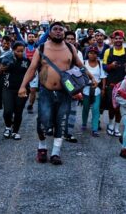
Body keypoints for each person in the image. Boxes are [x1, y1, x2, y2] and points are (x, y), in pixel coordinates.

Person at [18, 22, 96, 165]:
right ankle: (42, 148)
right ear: (49, 32)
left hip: (64, 92)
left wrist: (91, 77)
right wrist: (23, 86)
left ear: (65, 33)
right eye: (55, 29)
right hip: (46, 91)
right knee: (43, 120)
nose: (59, 32)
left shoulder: (70, 47)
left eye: (61, 29)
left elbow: (80, 65)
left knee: (60, 121)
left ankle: (55, 152)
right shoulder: (41, 48)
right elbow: (32, 68)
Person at [103, 30, 126, 137]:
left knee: (121, 107)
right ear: (113, 39)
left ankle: (117, 126)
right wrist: (110, 66)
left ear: (123, 39)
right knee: (112, 106)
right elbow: (103, 67)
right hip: (112, 83)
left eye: (120, 38)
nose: (118, 40)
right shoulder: (108, 52)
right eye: (116, 38)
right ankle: (110, 124)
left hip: (124, 84)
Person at [0, 41, 31, 140]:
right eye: (18, 51)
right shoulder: (6, 59)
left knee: (18, 111)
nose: (20, 53)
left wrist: (27, 86)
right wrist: (1, 69)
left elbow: (31, 74)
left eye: (22, 51)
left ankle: (15, 131)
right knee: (7, 110)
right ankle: (8, 127)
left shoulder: (26, 61)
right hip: (8, 88)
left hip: (22, 89)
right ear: (13, 50)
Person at [82, 46, 107, 137]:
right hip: (85, 89)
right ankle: (84, 123)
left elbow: (103, 77)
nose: (93, 54)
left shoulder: (100, 63)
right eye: (90, 53)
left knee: (96, 109)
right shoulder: (84, 63)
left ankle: (94, 129)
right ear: (87, 54)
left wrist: (103, 89)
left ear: (97, 54)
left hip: (96, 89)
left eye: (95, 53)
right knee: (85, 107)